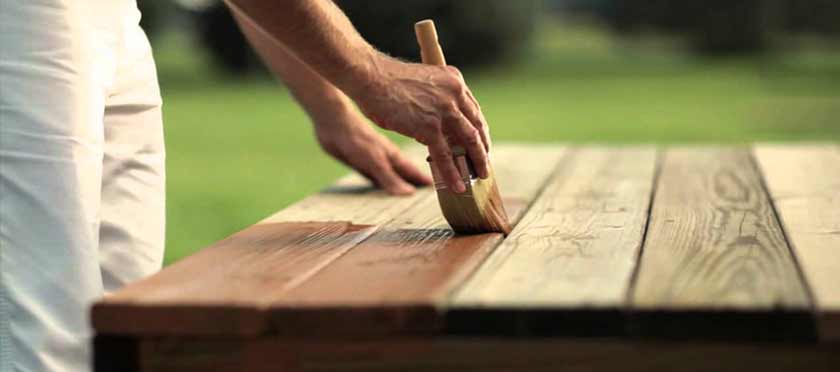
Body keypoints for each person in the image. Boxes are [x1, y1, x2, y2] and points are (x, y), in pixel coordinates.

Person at [0, 0, 491, 370]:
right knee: (44, 339)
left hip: (112, 18)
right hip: (21, 23)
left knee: (122, 330)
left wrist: (333, 110)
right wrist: (375, 77)